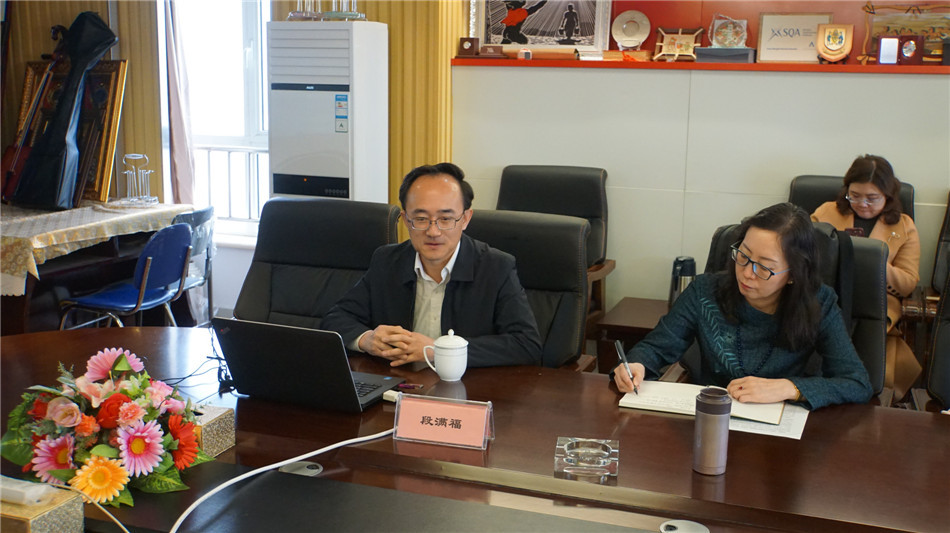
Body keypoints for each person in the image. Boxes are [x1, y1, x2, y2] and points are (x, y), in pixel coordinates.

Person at [613, 203, 873, 410]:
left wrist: (790, 388)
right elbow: (655, 348)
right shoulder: (704, 291)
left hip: (782, 427)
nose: (747, 273)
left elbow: (856, 382)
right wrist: (636, 365)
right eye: (744, 255)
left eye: (764, 267)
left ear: (793, 274)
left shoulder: (819, 302)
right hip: (710, 416)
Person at [321, 162, 542, 368]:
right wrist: (367, 339)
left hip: (467, 389)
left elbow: (526, 345)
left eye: (445, 219)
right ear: (406, 220)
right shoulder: (387, 261)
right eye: (421, 219)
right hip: (398, 385)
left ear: (465, 219)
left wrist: (438, 350)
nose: (433, 231)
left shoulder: (496, 267)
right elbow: (336, 318)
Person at [811, 154, 921, 399]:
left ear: (888, 196)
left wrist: (875, 260)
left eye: (872, 198)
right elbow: (803, 256)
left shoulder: (904, 226)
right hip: (827, 297)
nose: (862, 204)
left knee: (869, 374)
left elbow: (907, 283)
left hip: (875, 307)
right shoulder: (826, 212)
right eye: (855, 195)